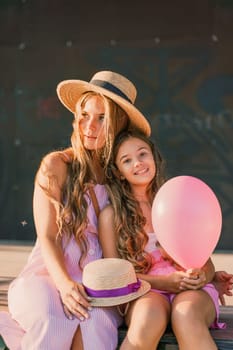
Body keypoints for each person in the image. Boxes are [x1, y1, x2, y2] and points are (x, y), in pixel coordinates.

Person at [0, 71, 151, 350]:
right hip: (49, 273)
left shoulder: (119, 176)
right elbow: (46, 235)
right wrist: (65, 283)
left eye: (102, 117)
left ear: (118, 124)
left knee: (95, 327)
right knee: (51, 320)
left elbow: (153, 224)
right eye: (84, 114)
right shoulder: (56, 165)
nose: (89, 125)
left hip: (98, 282)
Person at [98, 129, 232, 350]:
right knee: (146, 321)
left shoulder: (178, 197)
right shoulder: (112, 216)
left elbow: (205, 262)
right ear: (119, 172)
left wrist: (202, 276)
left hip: (191, 292)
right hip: (145, 291)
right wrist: (166, 283)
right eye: (127, 160)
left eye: (142, 154)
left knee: (187, 315)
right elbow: (116, 277)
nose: (138, 163)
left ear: (154, 157)